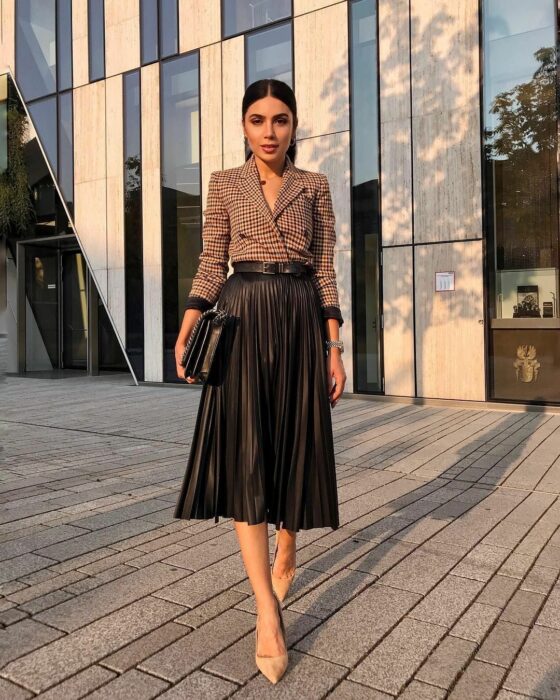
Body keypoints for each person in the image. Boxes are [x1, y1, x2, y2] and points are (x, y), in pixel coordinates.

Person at [173, 78, 346, 684]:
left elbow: (324, 267)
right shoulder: (224, 184)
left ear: (294, 125)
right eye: (256, 119)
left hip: (299, 317)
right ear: (243, 126)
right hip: (242, 314)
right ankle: (266, 612)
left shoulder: (315, 187)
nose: (269, 130)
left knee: (294, 440)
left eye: (279, 119)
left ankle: (290, 540)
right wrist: (188, 324)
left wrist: (333, 345)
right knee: (247, 454)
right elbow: (210, 256)